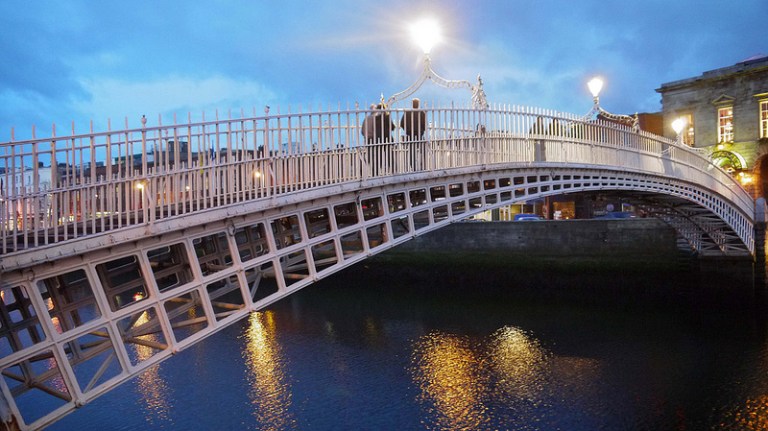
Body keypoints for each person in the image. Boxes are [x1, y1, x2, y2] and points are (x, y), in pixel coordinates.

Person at [400, 98, 427, 170]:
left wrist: (407, 129)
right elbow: (425, 124)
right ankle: (422, 165)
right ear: (418, 104)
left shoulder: (407, 112)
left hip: (410, 134)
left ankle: (413, 167)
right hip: (419, 134)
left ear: (412, 104)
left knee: (412, 151)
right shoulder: (421, 113)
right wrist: (422, 130)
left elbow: (402, 123)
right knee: (423, 149)